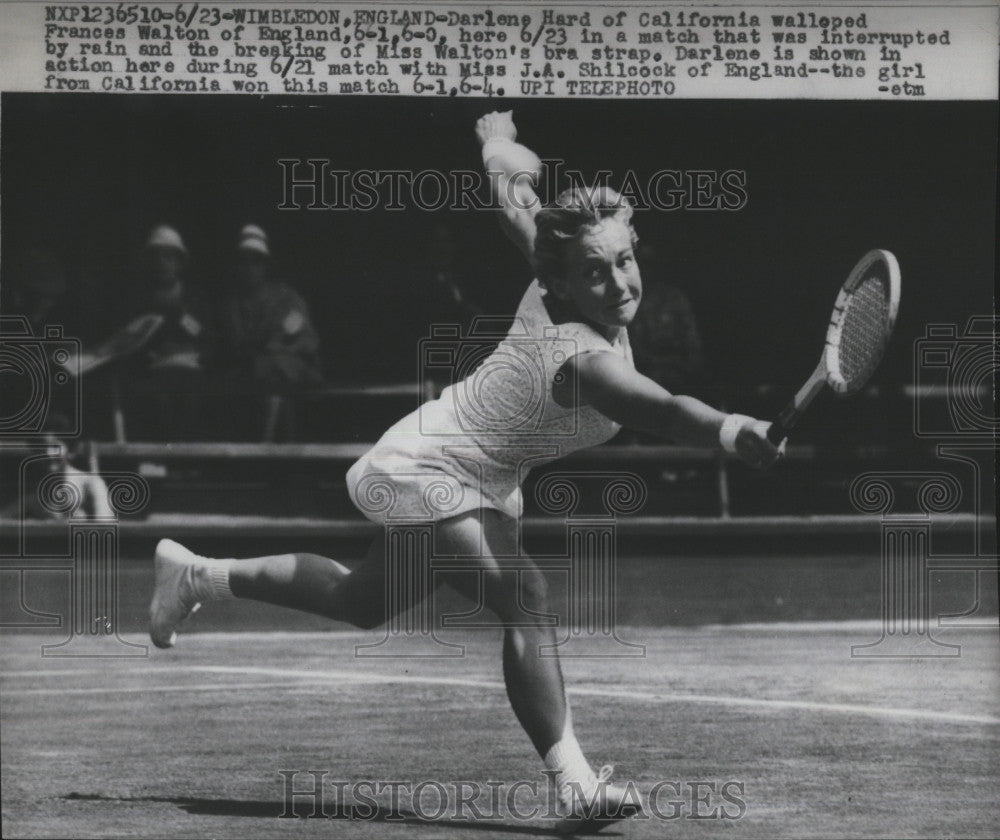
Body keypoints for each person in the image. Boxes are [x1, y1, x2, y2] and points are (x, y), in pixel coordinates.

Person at [149, 112, 782, 833]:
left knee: (363, 599)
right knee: (526, 594)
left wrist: (494, 143)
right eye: (595, 272)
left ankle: (196, 575)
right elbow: (667, 411)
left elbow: (514, 198)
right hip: (426, 464)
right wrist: (733, 429)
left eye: (625, 261)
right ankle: (575, 785)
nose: (616, 283)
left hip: (474, 475)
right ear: (563, 282)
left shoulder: (556, 267)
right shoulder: (586, 360)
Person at [218, 224, 323, 393]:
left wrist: (281, 349)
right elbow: (235, 347)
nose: (249, 268)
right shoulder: (230, 305)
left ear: (266, 265)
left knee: (276, 367)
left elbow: (307, 340)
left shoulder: (288, 299)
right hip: (247, 374)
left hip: (291, 373)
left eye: (256, 261)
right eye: (243, 261)